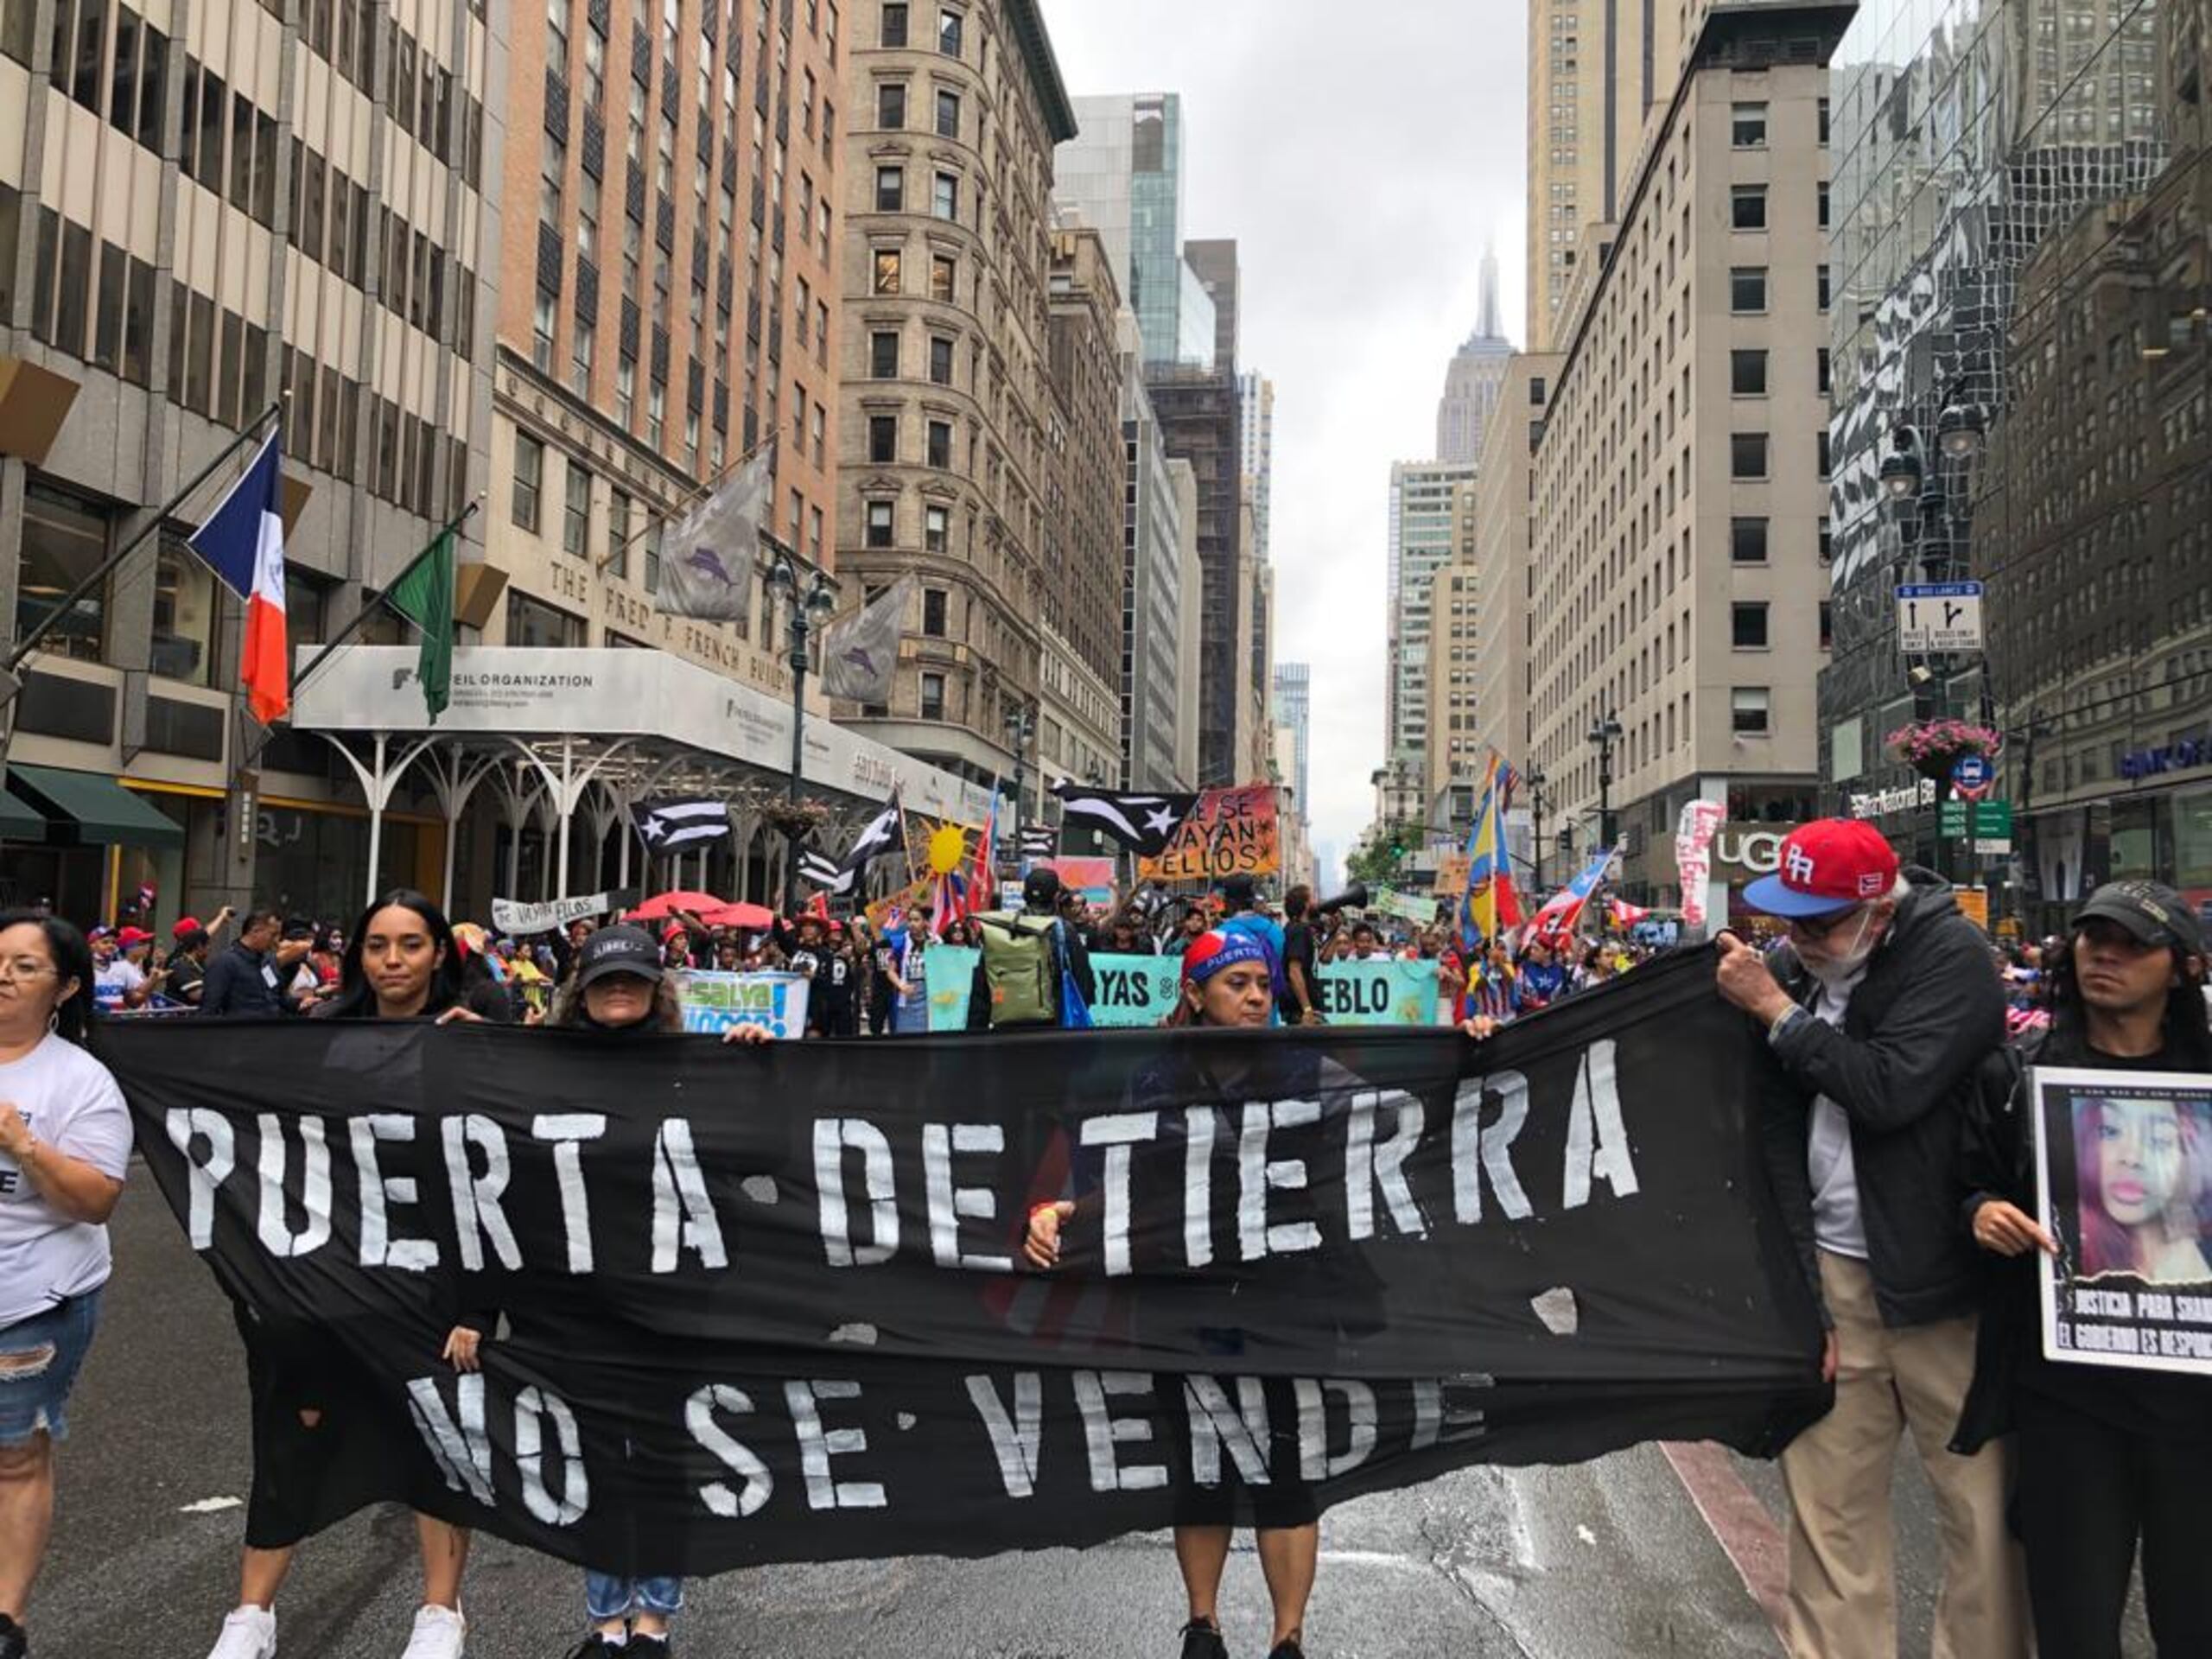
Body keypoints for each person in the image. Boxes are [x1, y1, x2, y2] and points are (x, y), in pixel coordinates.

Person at [1714, 818, 2026, 1659]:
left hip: (1942, 1283)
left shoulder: (1950, 960)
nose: (1797, 939)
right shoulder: (1791, 971)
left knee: (1979, 1513)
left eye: (1816, 922)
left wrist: (1777, 1012)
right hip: (1832, 1277)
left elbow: (1887, 1089)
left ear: (1876, 914)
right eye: (1787, 920)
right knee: (1828, 1517)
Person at [203, 891, 495, 1659]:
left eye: (409, 944)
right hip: (326, 1267)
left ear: (440, 953)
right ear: (358, 954)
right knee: (289, 1433)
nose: (392, 961)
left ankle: (440, 1612)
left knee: (435, 1438)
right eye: (376, 945)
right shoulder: (320, 1036)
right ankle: (251, 1616)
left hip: (432, 1272)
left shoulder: (472, 1041)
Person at [1955, 880, 2212, 1656]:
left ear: (2182, 967)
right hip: (2069, 1401)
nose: (2107, 955)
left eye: (2134, 943)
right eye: (2095, 938)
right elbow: (1966, 1179)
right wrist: (1979, 1212)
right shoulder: (2017, 1076)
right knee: (2075, 1622)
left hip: (2198, 1412)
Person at [549, 925, 765, 1657]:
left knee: (667, 1456)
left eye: (634, 979)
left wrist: (746, 1067)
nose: (619, 990)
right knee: (599, 1459)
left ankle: (654, 1621)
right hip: (584, 1294)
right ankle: (607, 1621)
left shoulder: (690, 1067)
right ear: (580, 989)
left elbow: (749, 1152)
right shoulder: (540, 1067)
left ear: (656, 989)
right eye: (605, 979)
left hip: (674, 1294)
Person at [0, 912, 129, 1659]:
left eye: (25, 966)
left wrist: (24, 1145)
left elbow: (98, 1199)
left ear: (67, 986)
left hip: (33, 1300)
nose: (5, 976)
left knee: (15, 1450)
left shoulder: (81, 1081)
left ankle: (7, 1621)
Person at [966, 868, 1096, 1032]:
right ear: (1056, 897)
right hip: (1052, 1031)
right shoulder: (1063, 931)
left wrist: (973, 1034)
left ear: (1024, 895)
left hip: (1005, 1030)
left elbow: (981, 991)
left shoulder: (1001, 929)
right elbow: (1085, 985)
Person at [199, 909, 289, 1018]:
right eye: (273, 935)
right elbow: (209, 1009)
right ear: (255, 931)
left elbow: (280, 998)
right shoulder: (225, 962)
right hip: (241, 1031)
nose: (276, 941)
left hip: (274, 1029)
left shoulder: (267, 961)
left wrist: (301, 1003)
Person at [1277, 887, 1322, 1026]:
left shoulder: (1294, 927)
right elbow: (1294, 971)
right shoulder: (1299, 930)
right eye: (1312, 898)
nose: (1316, 902)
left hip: (1298, 1009)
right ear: (1305, 904)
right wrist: (1307, 1009)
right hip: (1299, 1011)